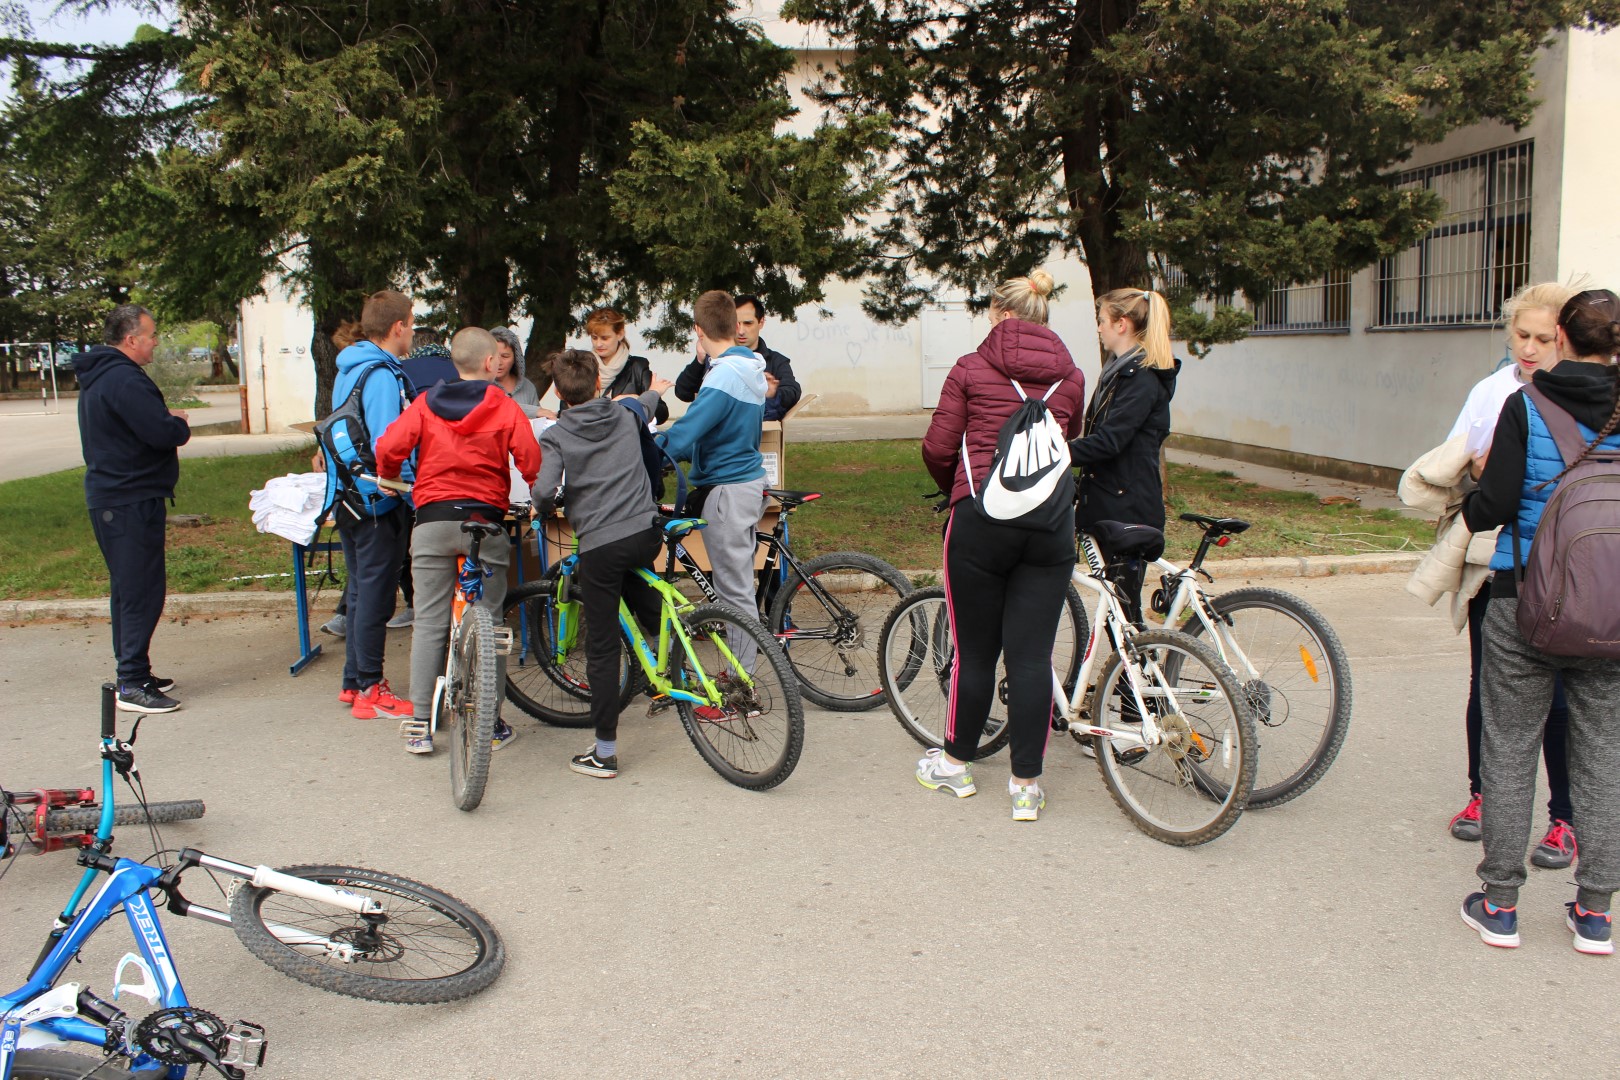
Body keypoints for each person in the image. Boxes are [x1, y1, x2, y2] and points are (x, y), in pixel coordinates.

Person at [1458, 287, 1620, 955]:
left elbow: (1491, 505)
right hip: (1611, 608)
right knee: (1604, 754)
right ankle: (1596, 914)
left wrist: (1470, 501)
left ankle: (1500, 904)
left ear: (1559, 334)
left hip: (1523, 599)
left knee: (1509, 745)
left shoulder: (1527, 405)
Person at [1413, 282, 1577, 865]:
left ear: (1567, 337)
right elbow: (1462, 464)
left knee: (1560, 698)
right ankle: (1482, 797)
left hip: (1570, 568)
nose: (1529, 349)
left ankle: (1565, 819)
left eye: (1543, 338)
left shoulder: (1586, 394)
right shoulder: (1493, 390)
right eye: (1521, 335)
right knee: (1489, 687)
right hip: (1497, 560)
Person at [917, 270, 1086, 821]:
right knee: (1033, 657)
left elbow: (939, 447)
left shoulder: (969, 368)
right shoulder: (1073, 378)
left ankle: (955, 764)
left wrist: (959, 492)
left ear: (998, 314)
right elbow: (1067, 443)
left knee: (975, 651)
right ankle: (1026, 787)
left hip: (981, 522)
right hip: (1050, 526)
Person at [376, 327, 541, 754]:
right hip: (483, 525)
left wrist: (390, 473)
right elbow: (531, 460)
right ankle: (492, 721)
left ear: (455, 363)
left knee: (429, 620)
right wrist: (538, 490)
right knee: (491, 621)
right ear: (491, 363)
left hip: (431, 521)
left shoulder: (425, 402)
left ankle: (418, 724)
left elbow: (390, 445)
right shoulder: (504, 407)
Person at [532, 349, 672, 777]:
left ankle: (605, 752)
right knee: (640, 590)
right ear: (599, 384)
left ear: (557, 391)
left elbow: (541, 490)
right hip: (646, 534)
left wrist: (544, 505)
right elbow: (648, 402)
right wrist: (654, 390)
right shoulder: (626, 411)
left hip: (601, 545)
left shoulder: (556, 435)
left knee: (602, 645)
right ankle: (672, 677)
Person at [73, 304, 192, 714]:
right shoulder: (122, 379)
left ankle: (136, 669)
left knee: (130, 589)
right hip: (127, 499)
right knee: (141, 591)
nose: (155, 341)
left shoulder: (104, 375)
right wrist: (178, 423)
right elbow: (159, 431)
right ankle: (132, 682)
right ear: (131, 339)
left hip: (117, 496)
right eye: (151, 334)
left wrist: (163, 419)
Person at [656, 291, 768, 674]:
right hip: (743, 483)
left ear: (698, 331)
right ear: (737, 327)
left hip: (728, 490)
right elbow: (716, 432)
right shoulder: (749, 366)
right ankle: (743, 673)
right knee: (735, 587)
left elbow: (687, 431)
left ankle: (741, 684)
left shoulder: (723, 376)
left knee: (734, 594)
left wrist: (648, 449)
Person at [327, 289, 417, 720]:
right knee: (377, 598)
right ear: (398, 327)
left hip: (349, 499)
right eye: (412, 324)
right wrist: (411, 486)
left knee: (361, 591)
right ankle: (370, 688)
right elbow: (388, 446)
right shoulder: (381, 374)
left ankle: (353, 681)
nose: (413, 332)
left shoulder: (350, 367)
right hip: (379, 501)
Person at [1069, 288, 1180, 625]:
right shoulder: (1119, 372)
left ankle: (1136, 677)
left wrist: (1054, 453)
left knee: (1124, 615)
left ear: (1122, 324)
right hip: (1111, 500)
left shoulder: (1140, 378)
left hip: (1126, 507)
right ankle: (1126, 677)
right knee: (1118, 610)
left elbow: (1109, 442)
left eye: (1102, 321)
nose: (1099, 328)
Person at [674, 294, 800, 421]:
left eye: (748, 323)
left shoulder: (776, 361)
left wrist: (770, 393)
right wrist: (699, 360)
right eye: (736, 323)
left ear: (761, 322)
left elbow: (793, 392)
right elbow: (682, 392)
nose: (741, 331)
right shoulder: (713, 359)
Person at [574, 308, 668, 424]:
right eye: (594, 338)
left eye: (605, 338)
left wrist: (637, 401)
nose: (598, 344)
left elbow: (662, 413)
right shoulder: (582, 367)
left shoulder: (637, 366)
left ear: (620, 334)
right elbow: (568, 408)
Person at [489, 326, 546, 415]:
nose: (499, 362)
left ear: (515, 358)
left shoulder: (527, 387)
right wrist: (534, 411)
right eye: (493, 356)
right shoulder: (480, 386)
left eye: (505, 356)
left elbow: (538, 421)